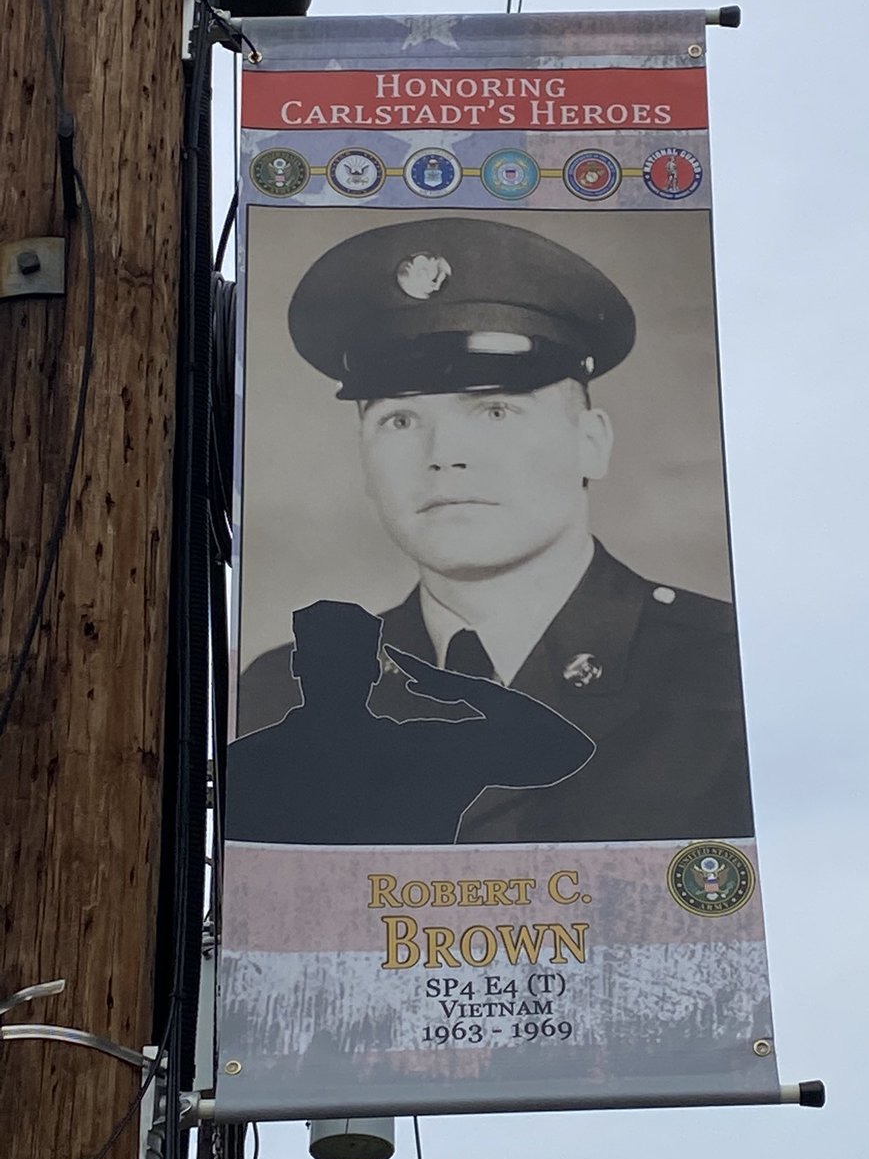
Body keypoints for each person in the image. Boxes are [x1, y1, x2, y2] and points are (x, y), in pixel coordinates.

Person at [236, 216, 755, 844]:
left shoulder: (723, 665)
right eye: (400, 421)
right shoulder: (277, 692)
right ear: (364, 459)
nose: (444, 455)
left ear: (591, 443)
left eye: (495, 410)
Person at [226, 600, 595, 845]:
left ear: (297, 666)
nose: (336, 676)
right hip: (407, 933)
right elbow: (566, 747)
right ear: (373, 672)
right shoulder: (428, 751)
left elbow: (569, 750)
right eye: (330, 664)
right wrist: (468, 689)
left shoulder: (245, 762)